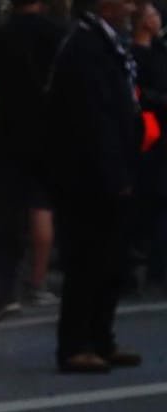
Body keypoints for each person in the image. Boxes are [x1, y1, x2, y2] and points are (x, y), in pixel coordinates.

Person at [46, 0, 144, 371]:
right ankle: (75, 344)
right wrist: (113, 173)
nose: (132, 7)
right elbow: (92, 118)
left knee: (111, 262)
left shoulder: (106, 45)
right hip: (90, 176)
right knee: (88, 261)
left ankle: (102, 338)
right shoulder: (85, 48)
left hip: (111, 168)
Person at [0, 0, 67, 320]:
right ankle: (36, 281)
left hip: (10, 135)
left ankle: (4, 292)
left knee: (6, 217)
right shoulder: (58, 34)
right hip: (51, 134)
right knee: (42, 206)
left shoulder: (1, 37)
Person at [131, 0, 167, 289]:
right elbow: (140, 95)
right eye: (153, 13)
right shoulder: (136, 55)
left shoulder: (159, 51)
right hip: (150, 131)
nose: (157, 17)